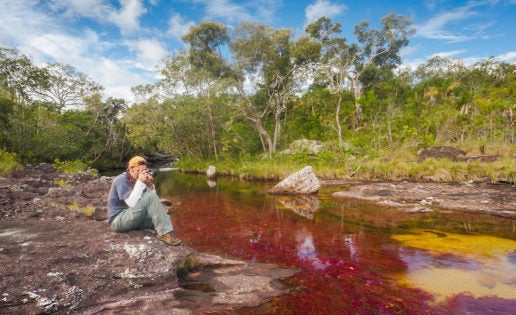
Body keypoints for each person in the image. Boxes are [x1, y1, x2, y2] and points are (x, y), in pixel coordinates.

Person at [107, 156, 182, 246]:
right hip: (118, 221)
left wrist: (148, 183)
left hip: (132, 216)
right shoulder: (121, 179)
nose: (141, 173)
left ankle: (165, 231)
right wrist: (140, 182)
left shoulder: (137, 180)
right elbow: (131, 203)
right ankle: (163, 234)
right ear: (131, 169)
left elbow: (152, 198)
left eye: (144, 170)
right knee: (152, 202)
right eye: (139, 170)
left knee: (164, 218)